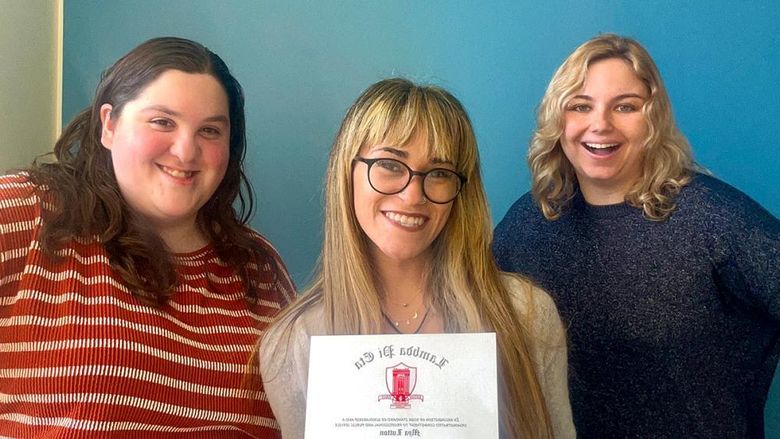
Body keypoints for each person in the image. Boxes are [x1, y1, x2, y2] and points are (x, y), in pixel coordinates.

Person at [0, 37, 295, 437]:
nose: (185, 150)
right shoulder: (31, 213)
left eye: (209, 130)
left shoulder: (260, 267)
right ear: (109, 124)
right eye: (162, 122)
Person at [493, 33, 780, 438]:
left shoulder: (715, 219)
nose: (600, 124)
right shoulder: (530, 221)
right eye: (580, 105)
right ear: (557, 120)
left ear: (654, 118)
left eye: (625, 106)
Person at [259, 78, 575, 439]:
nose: (412, 196)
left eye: (439, 173)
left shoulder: (528, 316)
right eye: (390, 165)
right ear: (347, 172)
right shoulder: (294, 343)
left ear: (461, 192)